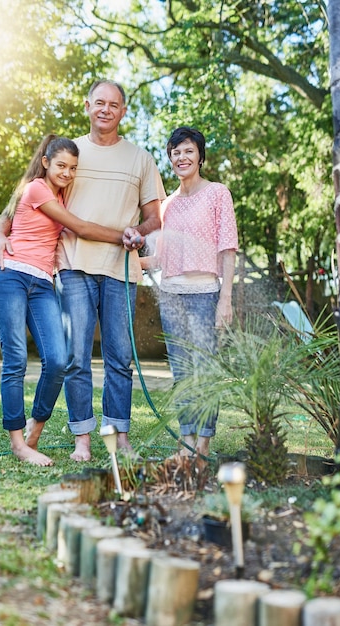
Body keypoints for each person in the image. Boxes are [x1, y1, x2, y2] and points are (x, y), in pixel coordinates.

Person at [0, 80, 166, 462]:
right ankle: (82, 439)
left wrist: (140, 230)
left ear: (123, 111)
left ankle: (120, 436)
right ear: (87, 106)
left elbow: (154, 217)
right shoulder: (68, 154)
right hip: (73, 267)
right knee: (75, 358)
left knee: (120, 358)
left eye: (114, 104)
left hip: (121, 270)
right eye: (99, 102)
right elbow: (19, 206)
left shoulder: (140, 159)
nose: (106, 109)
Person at [0, 134, 124, 466]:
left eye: (73, 168)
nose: (67, 172)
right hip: (11, 278)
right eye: (61, 165)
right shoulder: (36, 188)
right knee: (16, 359)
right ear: (46, 163)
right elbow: (80, 228)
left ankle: (36, 425)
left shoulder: (59, 197)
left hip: (43, 283)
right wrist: (126, 235)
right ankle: (19, 443)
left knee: (59, 360)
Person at [141, 126, 238, 459]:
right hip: (172, 295)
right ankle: (186, 443)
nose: (181, 157)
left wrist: (225, 299)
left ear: (199, 155)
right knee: (182, 374)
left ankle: (204, 443)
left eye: (188, 151)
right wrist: (129, 258)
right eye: (175, 152)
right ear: (170, 158)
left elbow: (228, 248)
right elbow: (162, 258)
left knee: (205, 372)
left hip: (205, 294)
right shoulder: (166, 205)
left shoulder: (217, 193)